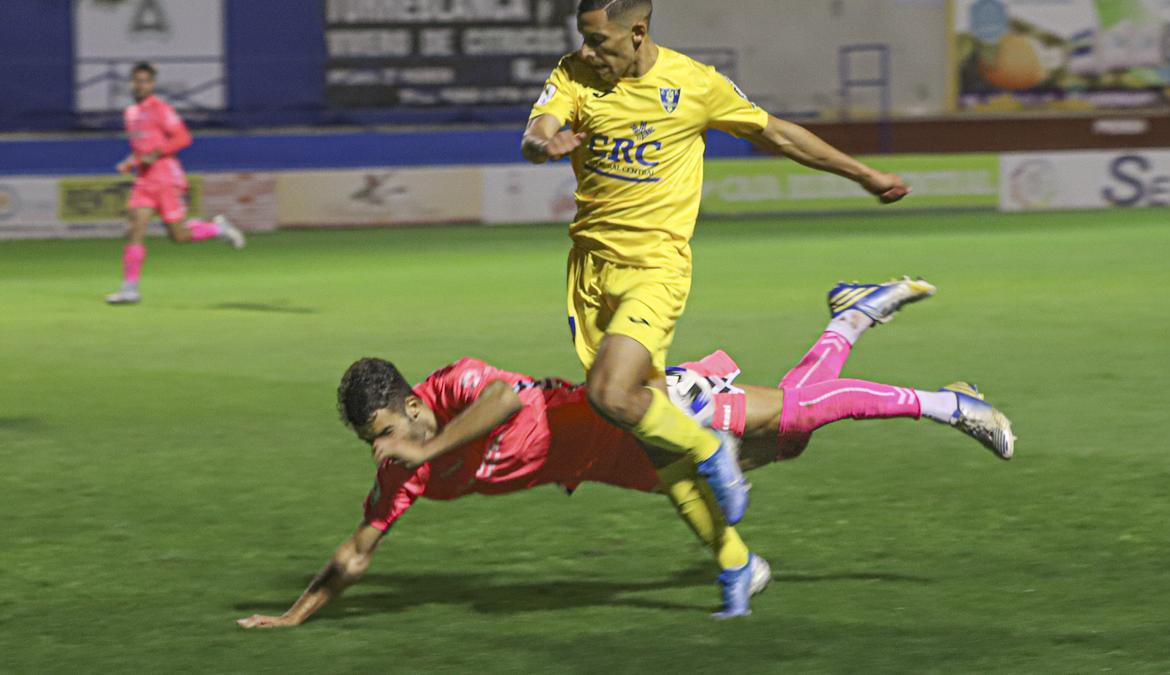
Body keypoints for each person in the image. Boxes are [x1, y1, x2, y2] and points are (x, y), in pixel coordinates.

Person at [236, 280, 1015, 627]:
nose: (386, 451)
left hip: (645, 407)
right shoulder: (402, 469)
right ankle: (848, 317)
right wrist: (294, 614)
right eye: (373, 442)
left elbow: (507, 400)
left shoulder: (452, 388)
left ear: (410, 405)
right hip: (619, 464)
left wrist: (433, 443)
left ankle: (951, 403)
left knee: (798, 414)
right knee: (793, 439)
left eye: (386, 431)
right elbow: (358, 549)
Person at [521, 0, 914, 614]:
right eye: (585, 41)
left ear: (639, 31)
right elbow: (536, 128)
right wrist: (544, 144)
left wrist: (861, 173)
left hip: (656, 269)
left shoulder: (694, 85)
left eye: (600, 41)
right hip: (590, 277)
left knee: (610, 395)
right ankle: (737, 562)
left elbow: (777, 132)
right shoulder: (574, 73)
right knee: (648, 436)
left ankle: (712, 448)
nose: (590, 53)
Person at [105, 62, 245, 305]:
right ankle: (130, 289)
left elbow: (183, 137)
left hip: (166, 179)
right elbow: (142, 148)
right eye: (137, 80)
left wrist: (158, 153)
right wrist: (131, 161)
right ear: (131, 83)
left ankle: (217, 228)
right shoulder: (130, 114)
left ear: (152, 84)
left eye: (145, 81)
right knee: (135, 229)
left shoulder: (160, 109)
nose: (140, 85)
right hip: (144, 180)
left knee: (178, 236)